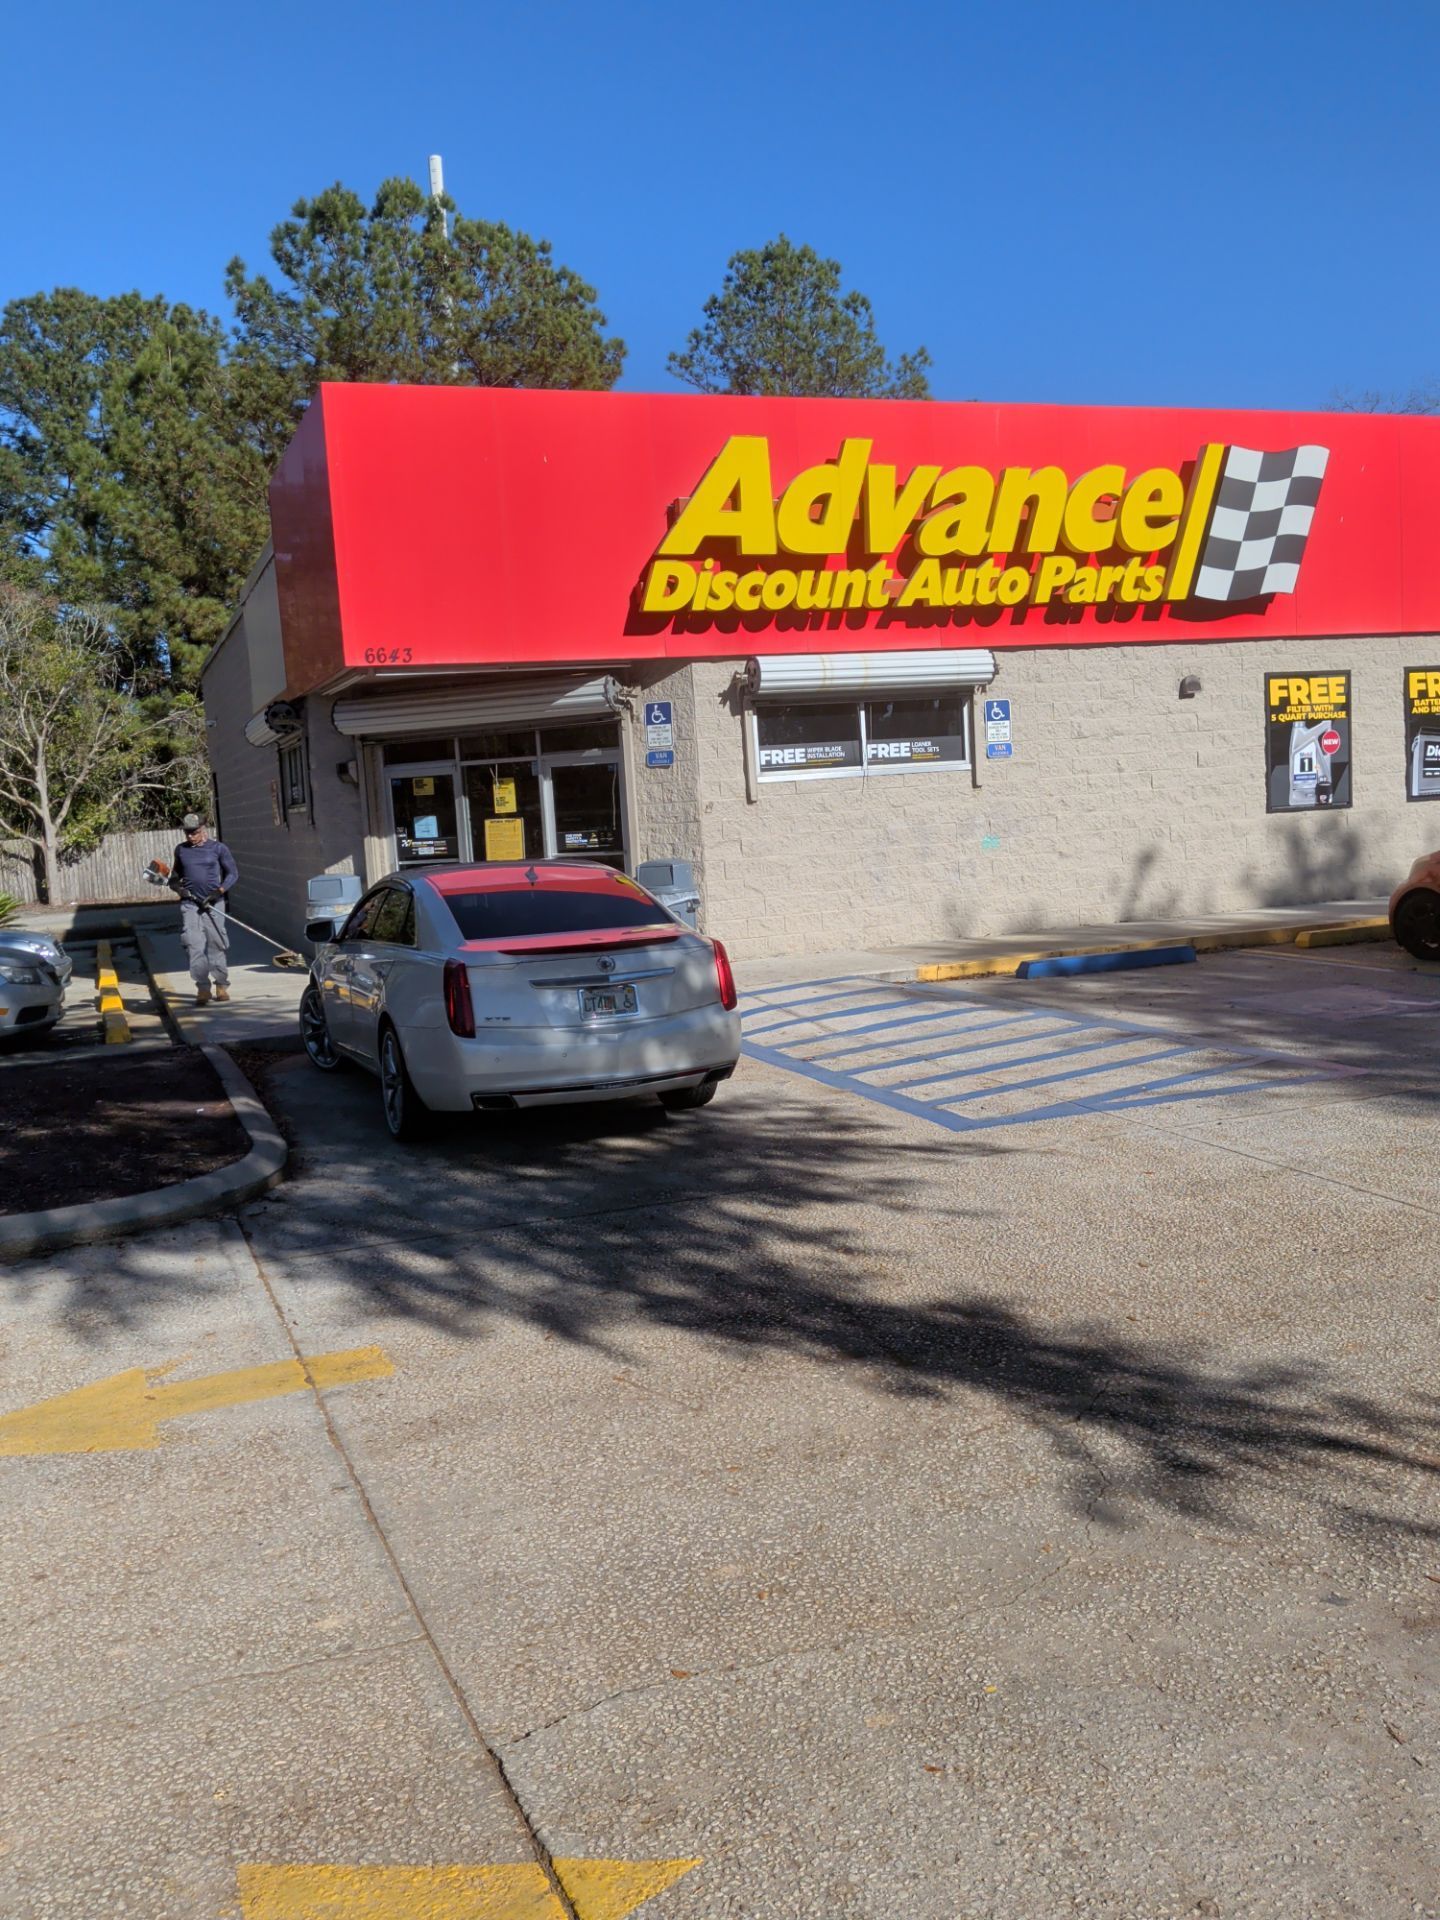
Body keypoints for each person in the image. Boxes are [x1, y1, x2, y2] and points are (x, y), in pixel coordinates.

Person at [169, 813, 239, 1006]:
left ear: (203, 829)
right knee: (194, 944)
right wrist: (178, 888)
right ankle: (202, 987)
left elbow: (233, 873)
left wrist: (219, 892)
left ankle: (221, 985)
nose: (191, 836)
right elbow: (174, 877)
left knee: (217, 943)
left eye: (195, 832)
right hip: (191, 904)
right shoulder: (181, 850)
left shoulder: (218, 848)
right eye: (187, 832)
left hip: (213, 903)